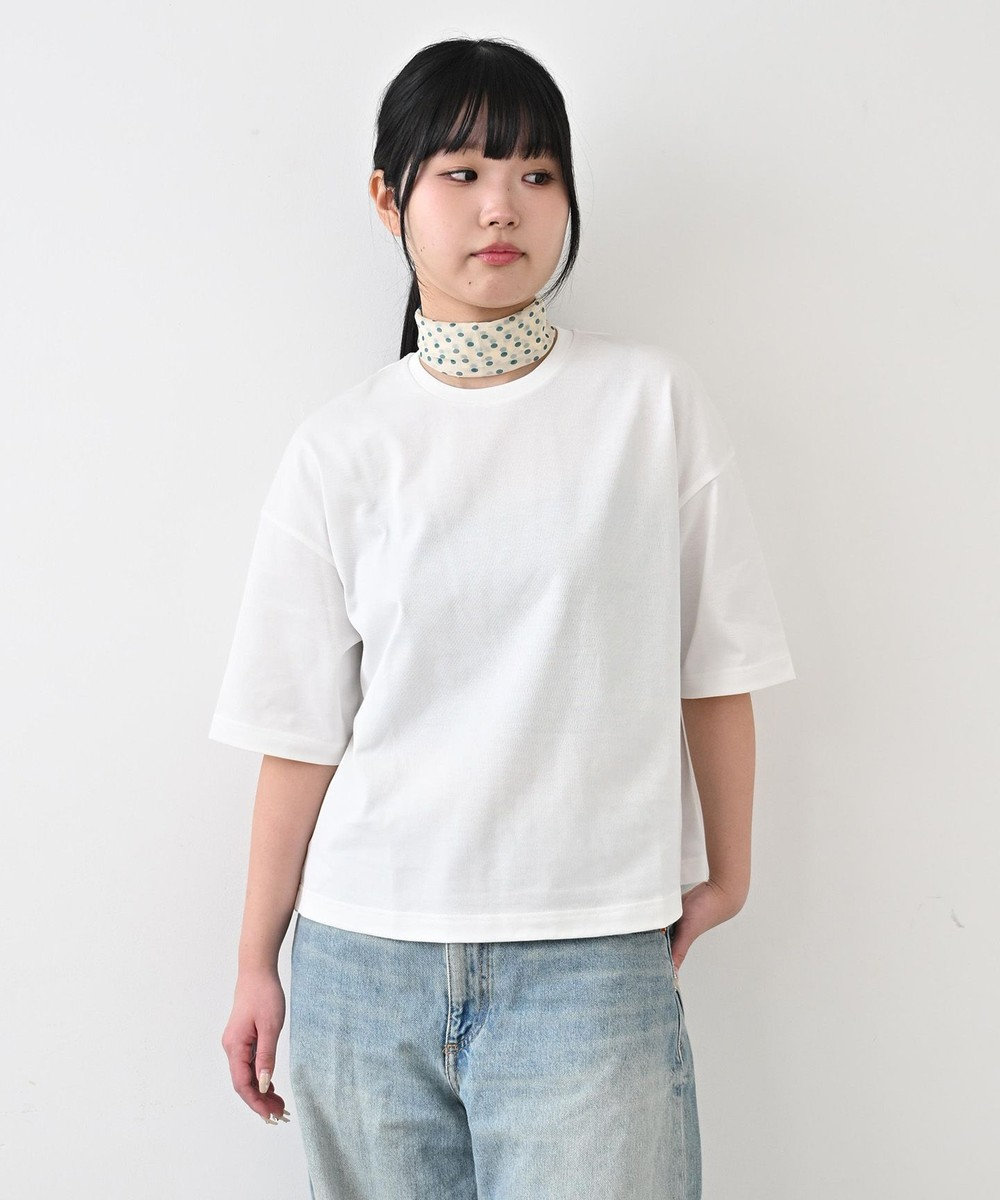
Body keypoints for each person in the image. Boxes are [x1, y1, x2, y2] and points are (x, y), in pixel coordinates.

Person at [213, 36, 796, 1200]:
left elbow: (716, 663)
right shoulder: (342, 446)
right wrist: (255, 962)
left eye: (536, 173)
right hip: (361, 961)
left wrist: (726, 874)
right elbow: (300, 731)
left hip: (588, 959)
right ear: (389, 199)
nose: (502, 207)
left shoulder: (648, 406)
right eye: (463, 172)